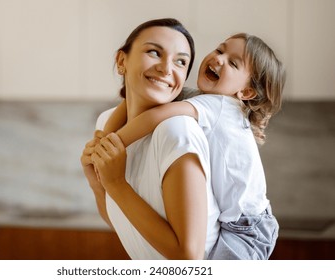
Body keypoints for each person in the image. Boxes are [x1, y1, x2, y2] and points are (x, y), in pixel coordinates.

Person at [102, 33, 286, 259]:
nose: (220, 59)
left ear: (246, 92)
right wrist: (102, 140)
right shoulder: (204, 99)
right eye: (220, 50)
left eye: (233, 63)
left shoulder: (218, 105)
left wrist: (110, 144)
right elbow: (131, 102)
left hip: (247, 229)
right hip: (242, 222)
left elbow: (157, 115)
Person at [81, 18, 220, 259]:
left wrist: (116, 184)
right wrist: (97, 183)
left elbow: (189, 259)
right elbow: (125, 225)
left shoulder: (177, 131)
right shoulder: (107, 123)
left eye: (180, 61)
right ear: (121, 61)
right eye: (154, 52)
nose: (167, 69)